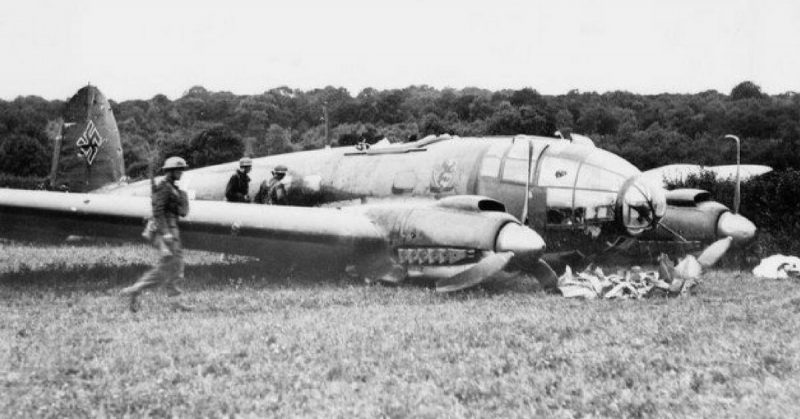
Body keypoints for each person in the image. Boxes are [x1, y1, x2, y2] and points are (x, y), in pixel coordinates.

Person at [120, 156, 190, 312]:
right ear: (170, 171)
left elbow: (184, 211)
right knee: (170, 265)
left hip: (172, 230)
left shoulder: (174, 189)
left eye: (182, 169)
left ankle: (174, 301)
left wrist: (183, 192)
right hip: (165, 231)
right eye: (178, 170)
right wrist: (165, 233)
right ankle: (136, 289)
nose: (181, 172)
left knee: (176, 265)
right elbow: (157, 212)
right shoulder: (164, 188)